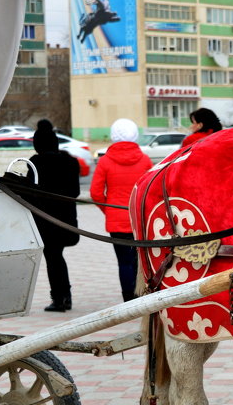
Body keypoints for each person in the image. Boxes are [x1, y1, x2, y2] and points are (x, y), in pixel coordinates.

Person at [90, 118, 153, 301]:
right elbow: (152, 190)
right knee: (139, 262)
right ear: (135, 135)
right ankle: (141, 295)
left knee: (123, 262)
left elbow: (96, 193)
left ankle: (128, 298)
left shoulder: (105, 162)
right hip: (140, 220)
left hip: (117, 221)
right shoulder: (145, 160)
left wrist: (108, 210)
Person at [25, 120, 81, 312]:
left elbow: (30, 192)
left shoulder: (36, 162)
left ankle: (60, 298)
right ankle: (64, 297)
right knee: (56, 257)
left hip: (46, 222)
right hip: (66, 221)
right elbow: (75, 192)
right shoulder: (70, 162)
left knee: (53, 257)